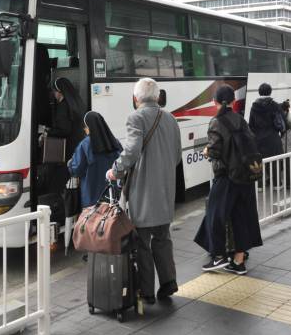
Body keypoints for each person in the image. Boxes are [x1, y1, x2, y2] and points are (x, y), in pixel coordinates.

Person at [107, 78, 182, 304]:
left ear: (135, 98)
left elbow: (130, 152)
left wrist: (115, 171)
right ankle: (169, 282)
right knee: (162, 238)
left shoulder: (136, 118)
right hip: (165, 191)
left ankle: (147, 292)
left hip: (143, 193)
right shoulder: (170, 118)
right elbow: (177, 156)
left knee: (142, 242)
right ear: (158, 97)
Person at [195, 85, 263, 275]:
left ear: (215, 102)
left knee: (215, 215)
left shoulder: (216, 121)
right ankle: (239, 262)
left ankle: (219, 257)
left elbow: (215, 150)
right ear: (233, 101)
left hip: (227, 177)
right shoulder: (240, 119)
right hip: (246, 175)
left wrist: (207, 150)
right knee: (241, 217)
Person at [68, 111, 123, 208]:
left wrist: (70, 163)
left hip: (91, 199)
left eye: (85, 127)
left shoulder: (85, 145)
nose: (85, 129)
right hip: (112, 196)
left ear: (89, 127)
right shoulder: (115, 143)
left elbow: (76, 169)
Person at [49, 77, 85, 161]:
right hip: (78, 143)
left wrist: (48, 132)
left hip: (69, 147)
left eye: (54, 91)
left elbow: (64, 130)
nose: (54, 94)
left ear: (60, 92)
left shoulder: (63, 107)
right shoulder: (75, 103)